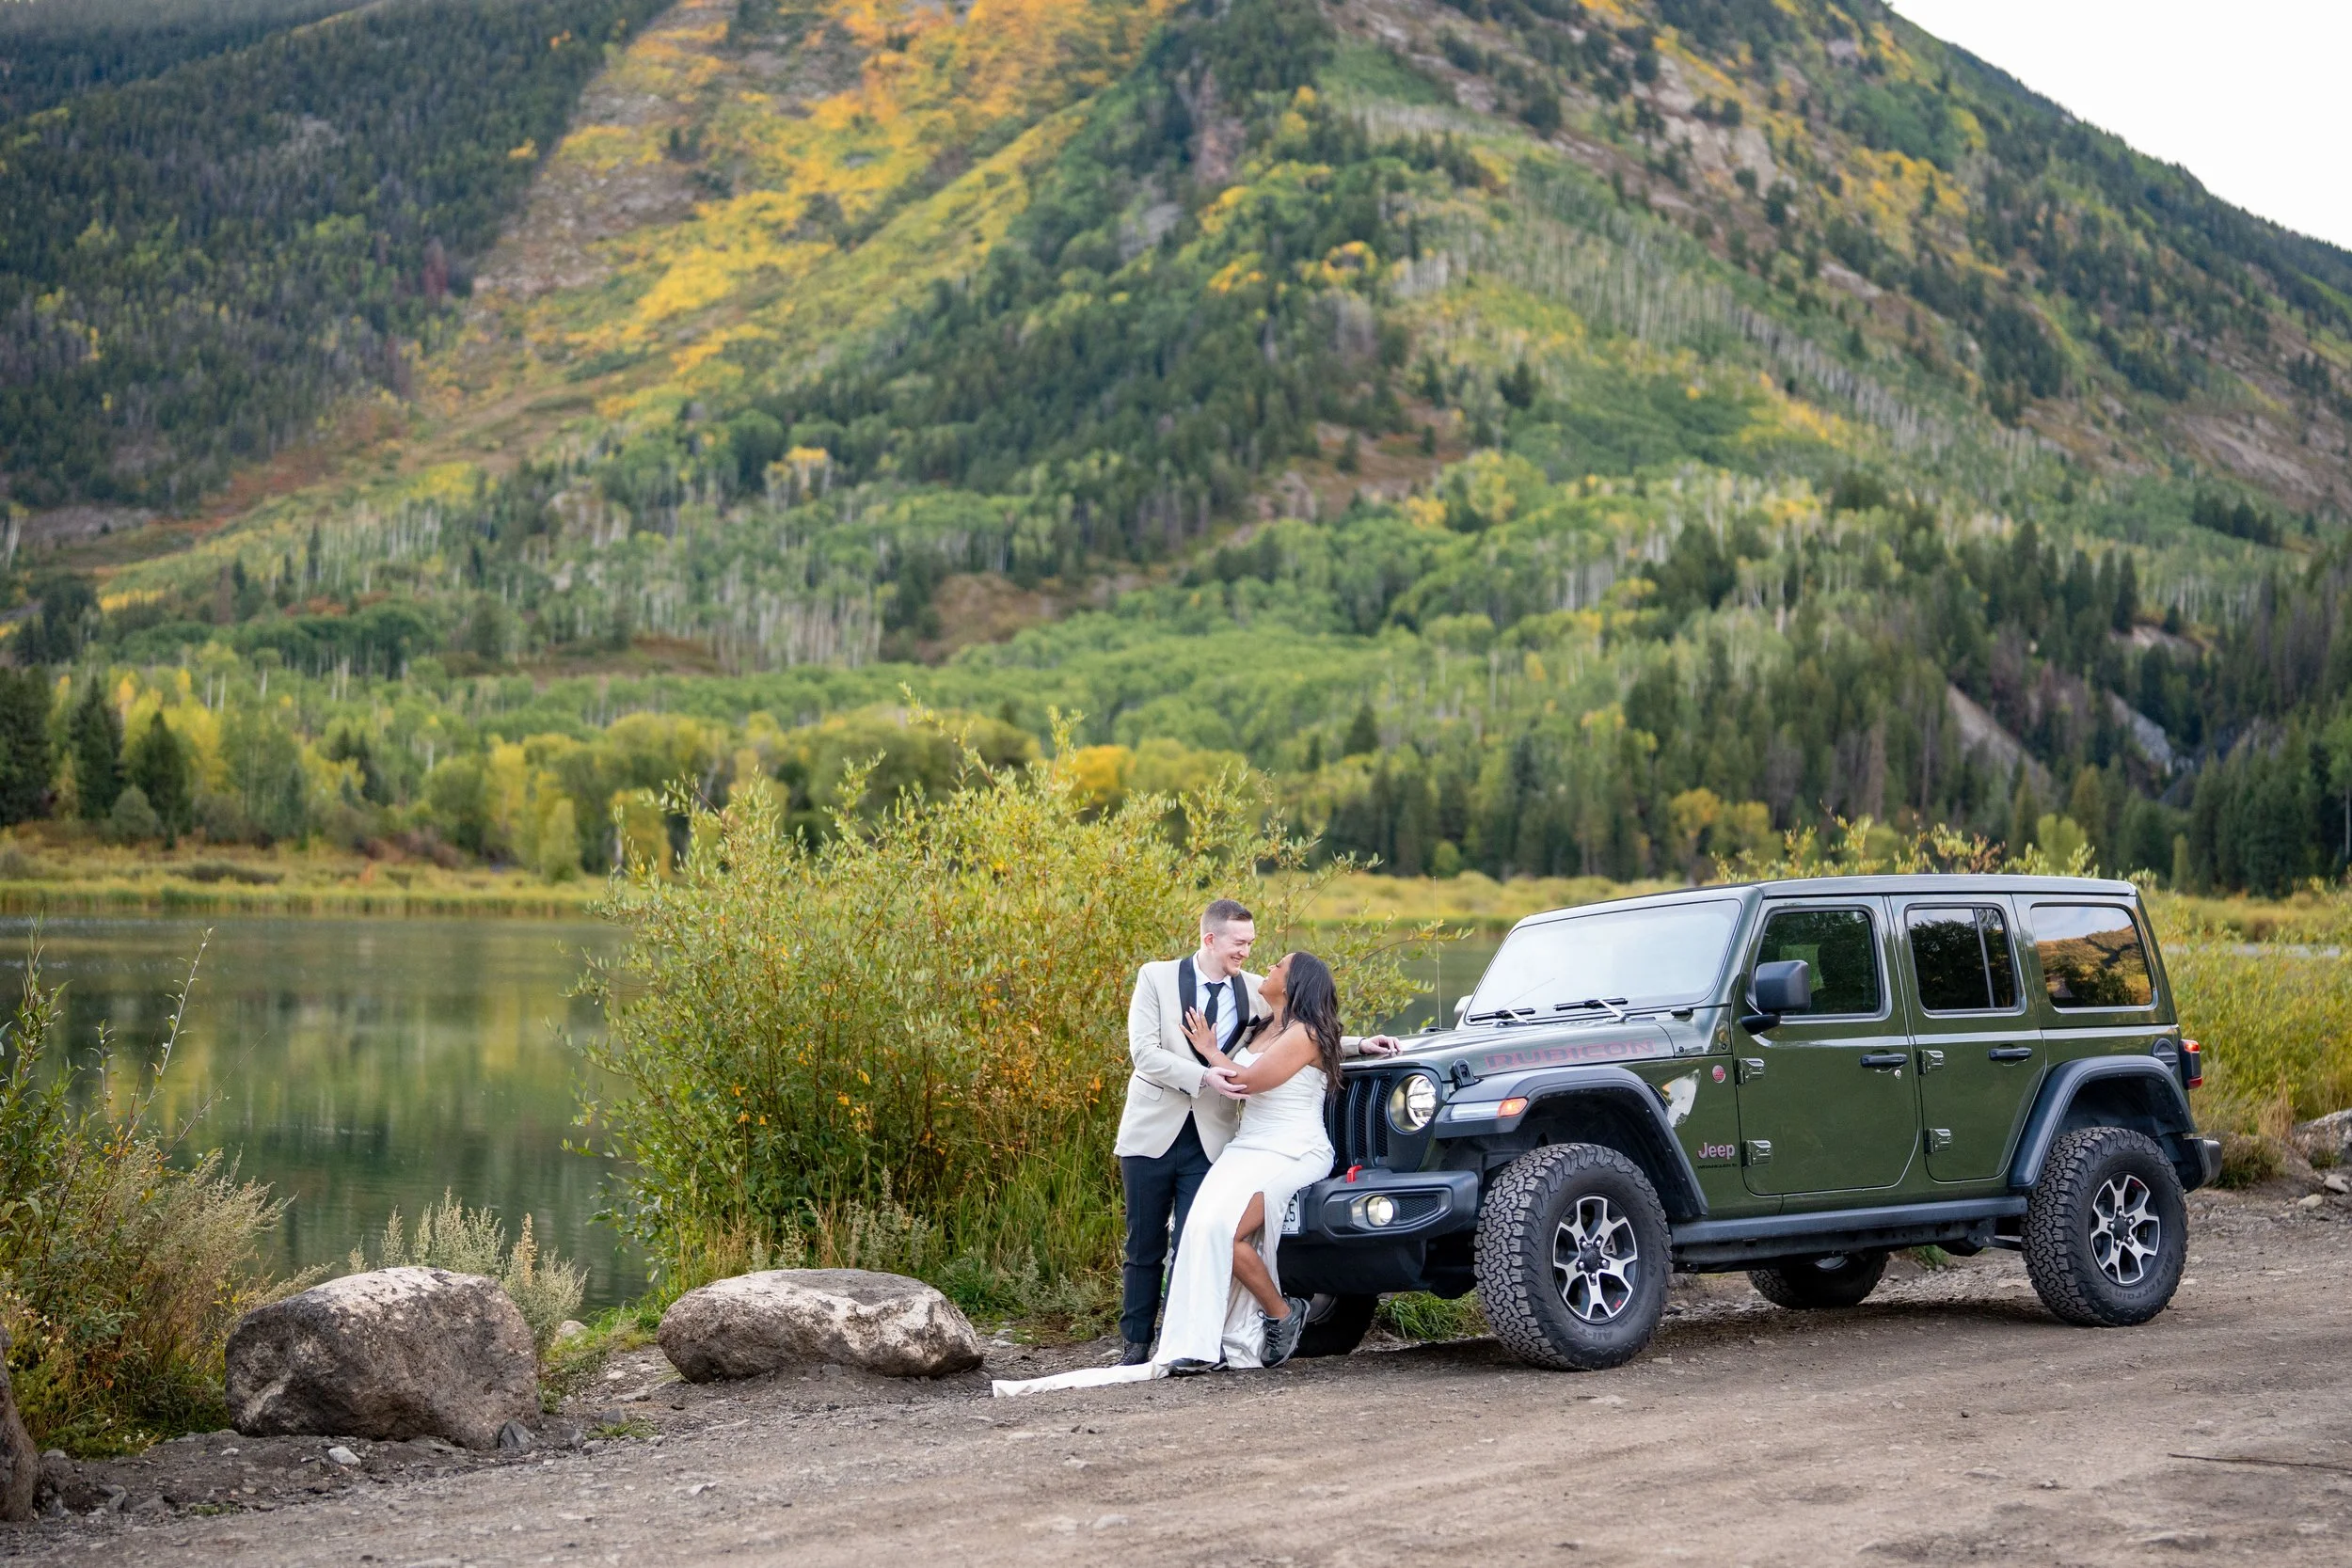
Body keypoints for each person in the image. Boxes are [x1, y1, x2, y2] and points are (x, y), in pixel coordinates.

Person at [993, 951, 1360, 1396]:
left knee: (1228, 1234)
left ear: (1296, 982)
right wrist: (1359, 1043)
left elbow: (1250, 1081)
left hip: (1293, 1148)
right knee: (1198, 1231)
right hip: (1248, 1146)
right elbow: (1315, 1048)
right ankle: (1199, 1341)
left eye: (1279, 966)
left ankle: (1281, 1314)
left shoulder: (1305, 1032)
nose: (1268, 968)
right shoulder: (1265, 1024)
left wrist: (1209, 1051)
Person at [1108, 897, 1263, 1366]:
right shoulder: (1154, 977)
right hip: (1150, 1132)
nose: (1246, 953)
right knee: (1143, 1243)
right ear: (1210, 938)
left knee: (1193, 1244)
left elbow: (1301, 1036)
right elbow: (1145, 1053)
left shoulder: (1255, 990)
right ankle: (1134, 1346)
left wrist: (1360, 1044)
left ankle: (1179, 1344)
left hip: (1212, 1139)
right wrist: (1203, 1075)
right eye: (1239, 943)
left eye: (1251, 944)